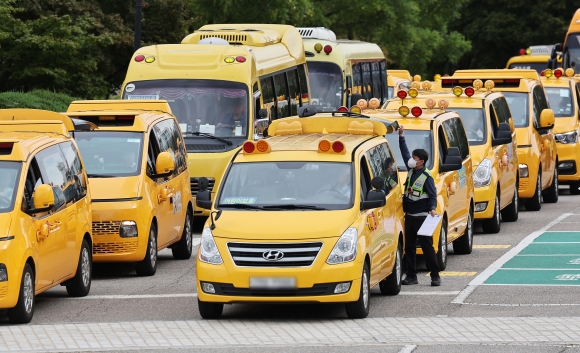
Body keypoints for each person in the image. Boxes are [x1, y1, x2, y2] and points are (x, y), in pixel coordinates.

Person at [398, 125, 441, 286]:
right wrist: (401, 137)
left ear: (421, 162)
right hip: (409, 216)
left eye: (415, 158)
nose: (411, 159)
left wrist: (432, 208)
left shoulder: (427, 176)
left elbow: (432, 194)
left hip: (422, 217)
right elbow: (404, 153)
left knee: (427, 247)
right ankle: (411, 276)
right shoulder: (411, 171)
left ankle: (435, 275)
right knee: (409, 248)